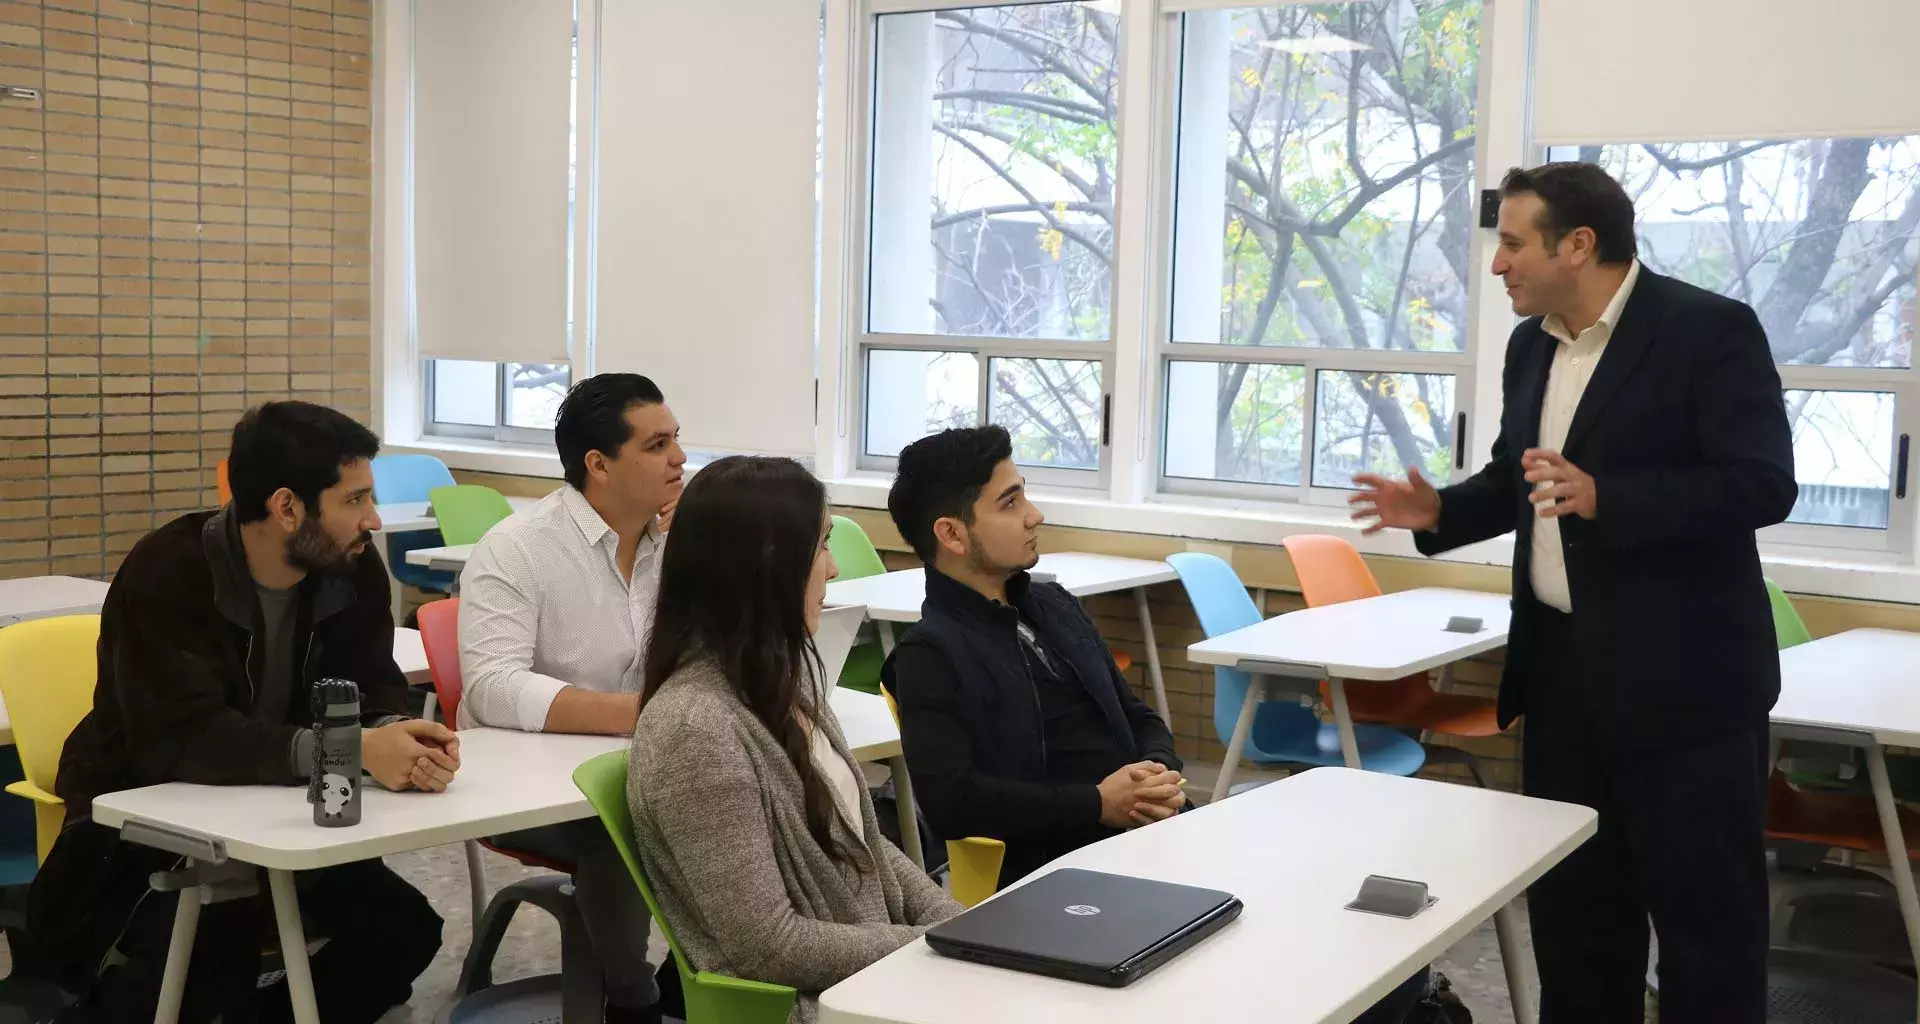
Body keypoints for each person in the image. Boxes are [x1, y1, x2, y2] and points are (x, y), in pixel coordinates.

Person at [1352, 163, 1796, 1021]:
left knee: (1707, 932)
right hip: (1564, 684)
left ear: (1579, 245)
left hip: (1689, 693)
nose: (1498, 266)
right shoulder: (1532, 344)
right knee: (1577, 922)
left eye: (1513, 244)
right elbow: (1523, 482)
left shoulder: (1709, 330)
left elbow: (1762, 484)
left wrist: (1611, 498)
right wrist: (1438, 509)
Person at [883, 425, 1435, 1023]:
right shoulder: (930, 656)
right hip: (1063, 880)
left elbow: (1139, 715)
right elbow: (953, 803)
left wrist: (1159, 772)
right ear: (952, 534)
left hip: (1152, 836)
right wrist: (1097, 803)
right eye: (1010, 503)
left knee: (1369, 942)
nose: (1034, 514)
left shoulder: (1053, 605)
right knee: (1303, 971)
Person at [33, 401, 458, 1024]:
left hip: (289, 819)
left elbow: (374, 687)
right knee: (203, 971)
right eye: (353, 500)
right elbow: (183, 741)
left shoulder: (349, 566)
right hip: (147, 833)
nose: (372, 518)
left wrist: (397, 734)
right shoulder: (168, 571)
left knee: (404, 936)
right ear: (287, 508)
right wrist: (347, 752)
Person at [629, 456, 959, 1024]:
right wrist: (929, 950)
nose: (831, 569)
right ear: (767, 566)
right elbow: (767, 945)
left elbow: (867, 849)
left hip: (874, 978)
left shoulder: (788, 680)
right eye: (822, 545)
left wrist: (956, 929)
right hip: (818, 1005)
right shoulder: (696, 732)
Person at [456, 372, 686, 1022]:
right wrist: (636, 715)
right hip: (518, 786)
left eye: (677, 440)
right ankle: (632, 1003)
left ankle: (698, 984)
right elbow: (493, 686)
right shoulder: (519, 548)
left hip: (646, 765)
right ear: (598, 465)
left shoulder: (676, 547)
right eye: (657, 444)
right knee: (617, 822)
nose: (679, 459)